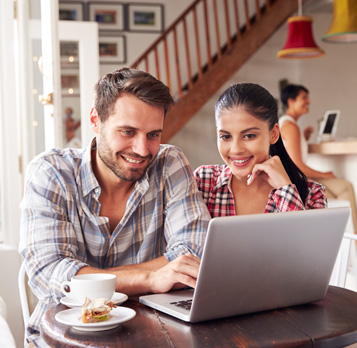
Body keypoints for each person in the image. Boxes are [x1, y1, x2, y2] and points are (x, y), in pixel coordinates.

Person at [19, 68, 211, 347]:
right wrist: (151, 277)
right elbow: (50, 275)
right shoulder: (51, 172)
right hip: (64, 338)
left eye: (153, 134)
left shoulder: (169, 163)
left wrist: (86, 277)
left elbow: (192, 256)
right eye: (128, 131)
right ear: (96, 120)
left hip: (149, 336)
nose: (143, 149)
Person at [194, 83, 327, 217]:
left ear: (274, 134)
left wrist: (285, 189)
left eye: (249, 136)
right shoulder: (203, 182)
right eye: (225, 136)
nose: (236, 149)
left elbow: (306, 238)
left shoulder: (312, 194)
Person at [280, 84, 357, 232]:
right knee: (345, 187)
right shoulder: (291, 127)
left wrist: (303, 137)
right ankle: (354, 240)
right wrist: (325, 175)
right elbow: (297, 166)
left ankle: (348, 240)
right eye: (304, 98)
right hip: (298, 183)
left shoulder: (286, 124)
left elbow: (289, 153)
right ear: (290, 101)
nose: (308, 101)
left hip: (296, 181)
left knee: (341, 190)